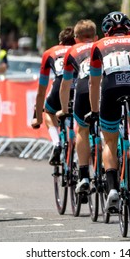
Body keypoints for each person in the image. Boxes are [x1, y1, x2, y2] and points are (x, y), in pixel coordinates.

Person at [89, 12, 130, 210]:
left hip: (111, 87)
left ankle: (113, 188)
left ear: (106, 30)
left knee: (110, 139)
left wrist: (94, 111)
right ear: (128, 28)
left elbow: (94, 82)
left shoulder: (98, 46)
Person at [58, 20, 98, 194]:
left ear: (76, 38)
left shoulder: (72, 51)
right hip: (103, 87)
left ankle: (84, 177)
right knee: (108, 130)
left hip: (82, 89)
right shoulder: (102, 45)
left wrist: (65, 111)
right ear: (96, 36)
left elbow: (65, 85)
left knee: (82, 130)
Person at [31, 27, 75, 166]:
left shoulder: (50, 52)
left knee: (49, 111)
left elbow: (41, 90)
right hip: (80, 88)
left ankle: (56, 143)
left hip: (59, 87)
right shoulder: (81, 49)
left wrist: (38, 118)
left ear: (60, 41)